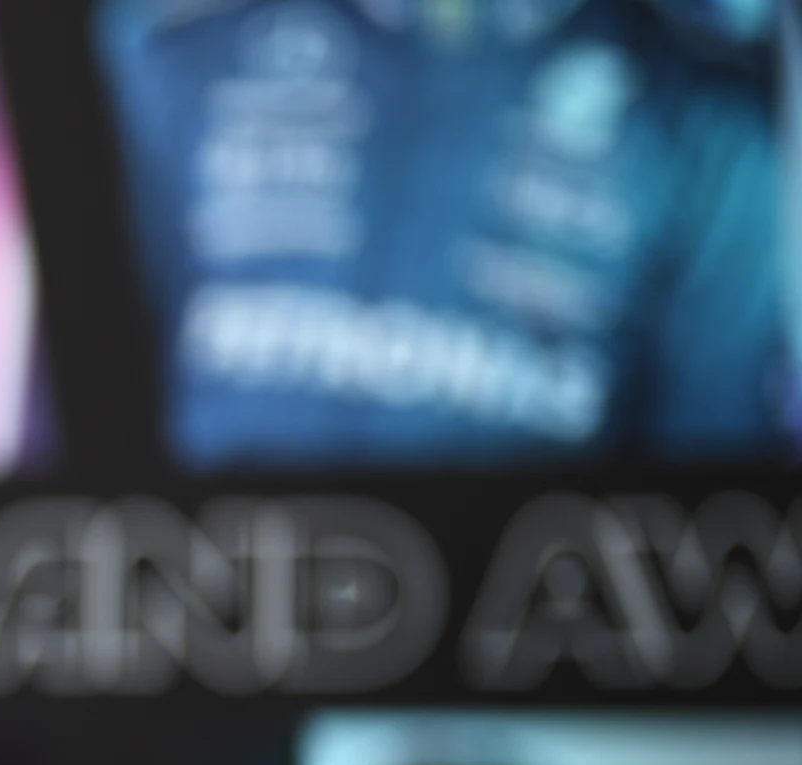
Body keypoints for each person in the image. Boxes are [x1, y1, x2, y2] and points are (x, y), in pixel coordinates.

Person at [96, 0, 783, 468]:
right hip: (204, 639)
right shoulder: (174, 53)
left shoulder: (710, 131)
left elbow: (712, 559)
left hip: (511, 657)